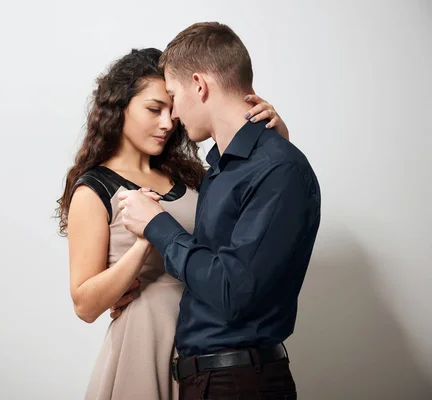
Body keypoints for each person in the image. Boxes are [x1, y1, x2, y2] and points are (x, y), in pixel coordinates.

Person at [56, 47, 289, 400]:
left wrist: (276, 139)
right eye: (153, 109)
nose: (168, 123)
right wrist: (144, 243)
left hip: (210, 342)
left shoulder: (191, 175)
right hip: (144, 344)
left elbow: (248, 215)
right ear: (120, 107)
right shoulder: (94, 189)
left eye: (172, 109)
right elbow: (85, 304)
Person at [118, 22, 321, 400]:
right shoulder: (222, 173)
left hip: (239, 383)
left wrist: (156, 226)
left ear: (199, 85)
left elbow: (232, 289)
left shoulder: (279, 168)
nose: (174, 114)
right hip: (208, 380)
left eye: (174, 96)